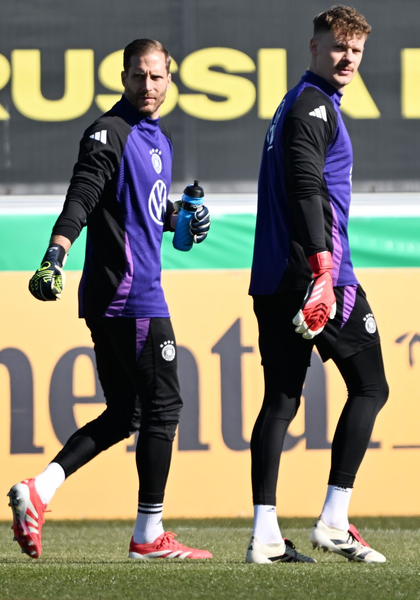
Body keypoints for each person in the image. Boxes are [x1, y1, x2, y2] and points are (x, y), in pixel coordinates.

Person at [9, 39, 212, 560]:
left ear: (170, 81)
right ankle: (149, 535)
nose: (148, 86)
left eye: (157, 77)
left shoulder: (158, 141)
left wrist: (176, 217)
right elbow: (83, 194)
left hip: (119, 297)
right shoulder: (108, 132)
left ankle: (40, 489)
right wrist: (55, 254)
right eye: (139, 76)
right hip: (131, 295)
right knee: (164, 409)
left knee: (126, 413)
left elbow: (136, 207)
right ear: (124, 78)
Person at [247, 5, 388, 564]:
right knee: (372, 385)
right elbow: (308, 189)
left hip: (274, 275)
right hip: (315, 276)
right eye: (337, 47)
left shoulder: (297, 105)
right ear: (313, 47)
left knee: (280, 400)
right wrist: (325, 274)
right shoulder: (313, 107)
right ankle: (333, 519)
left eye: (355, 49)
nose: (347, 57)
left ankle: (264, 536)